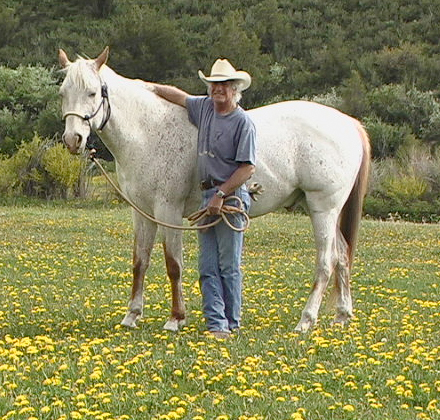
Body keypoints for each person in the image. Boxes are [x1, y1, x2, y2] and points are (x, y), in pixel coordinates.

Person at [147, 58, 256, 339]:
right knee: (207, 266)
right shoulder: (205, 108)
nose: (218, 90)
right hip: (208, 196)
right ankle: (215, 322)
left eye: (223, 85)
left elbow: (247, 168)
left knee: (228, 265)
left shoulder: (243, 122)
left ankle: (231, 322)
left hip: (229, 198)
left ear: (234, 90)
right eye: (214, 85)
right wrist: (147, 87)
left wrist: (221, 194)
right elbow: (179, 96)